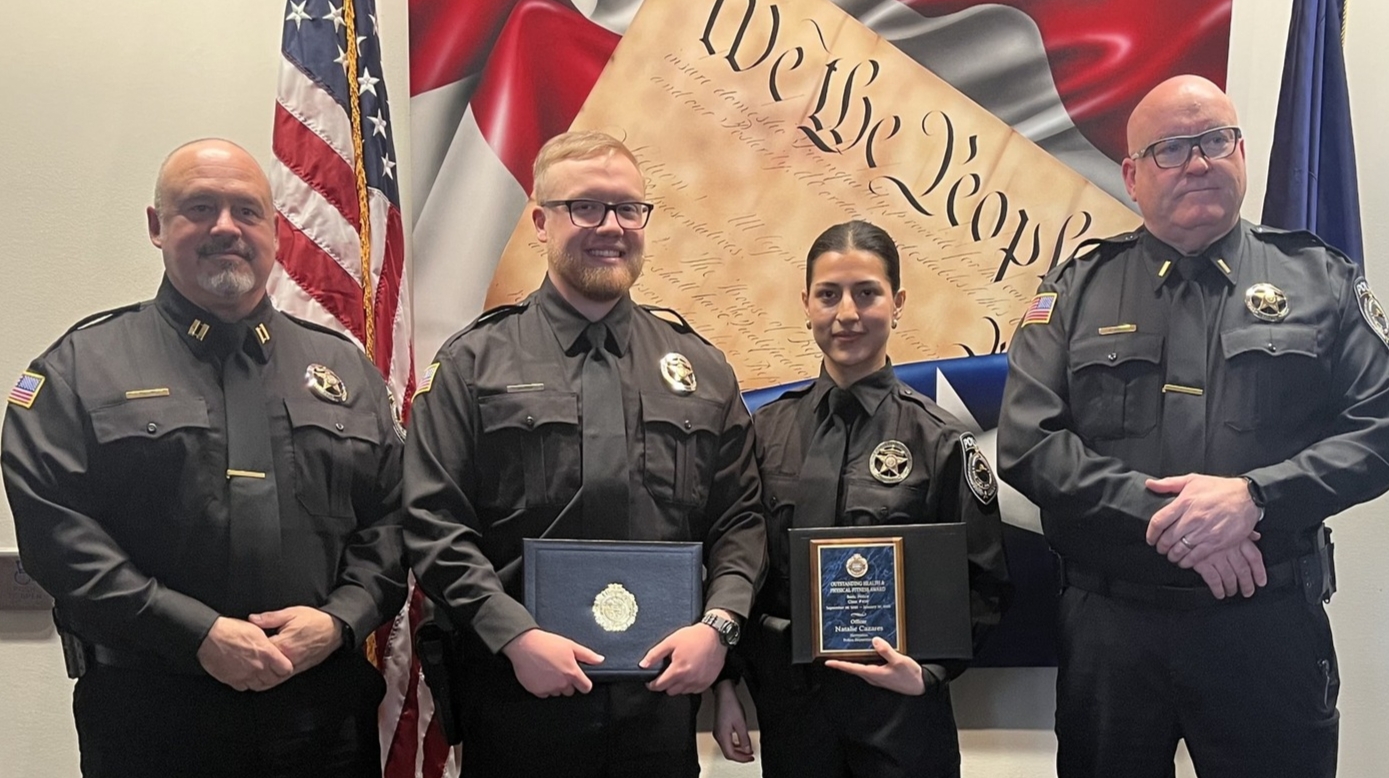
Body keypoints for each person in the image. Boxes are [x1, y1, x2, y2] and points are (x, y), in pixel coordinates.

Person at [997, 75, 1389, 777]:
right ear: (1131, 175)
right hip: (1114, 631)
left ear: (1241, 153)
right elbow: (1028, 442)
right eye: (1170, 148)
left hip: (1265, 622)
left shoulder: (1320, 279)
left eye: (1215, 140)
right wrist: (1178, 519)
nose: (1197, 162)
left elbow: (1380, 430)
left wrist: (1254, 498)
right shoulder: (1075, 289)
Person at [1, 139, 407, 777]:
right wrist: (195, 633)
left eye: (247, 211)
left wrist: (341, 620)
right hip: (150, 717)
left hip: (320, 717)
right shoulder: (82, 367)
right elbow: (57, 532)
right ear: (157, 227)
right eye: (199, 208)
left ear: (276, 232)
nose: (226, 228)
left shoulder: (344, 370)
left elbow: (392, 518)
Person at [402, 130, 767, 777]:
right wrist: (513, 635)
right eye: (586, 207)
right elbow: (434, 521)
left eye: (628, 208)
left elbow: (739, 519)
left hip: (658, 704)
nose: (611, 227)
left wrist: (719, 625)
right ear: (541, 222)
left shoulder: (702, 369)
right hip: (518, 700)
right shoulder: (473, 363)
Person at [710, 220, 1011, 777]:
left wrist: (930, 672)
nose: (846, 313)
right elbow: (733, 557)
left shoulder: (941, 441)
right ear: (806, 305)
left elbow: (984, 579)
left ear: (897, 304)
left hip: (900, 718)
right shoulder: (762, 434)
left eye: (866, 293)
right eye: (829, 294)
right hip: (792, 715)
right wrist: (726, 682)